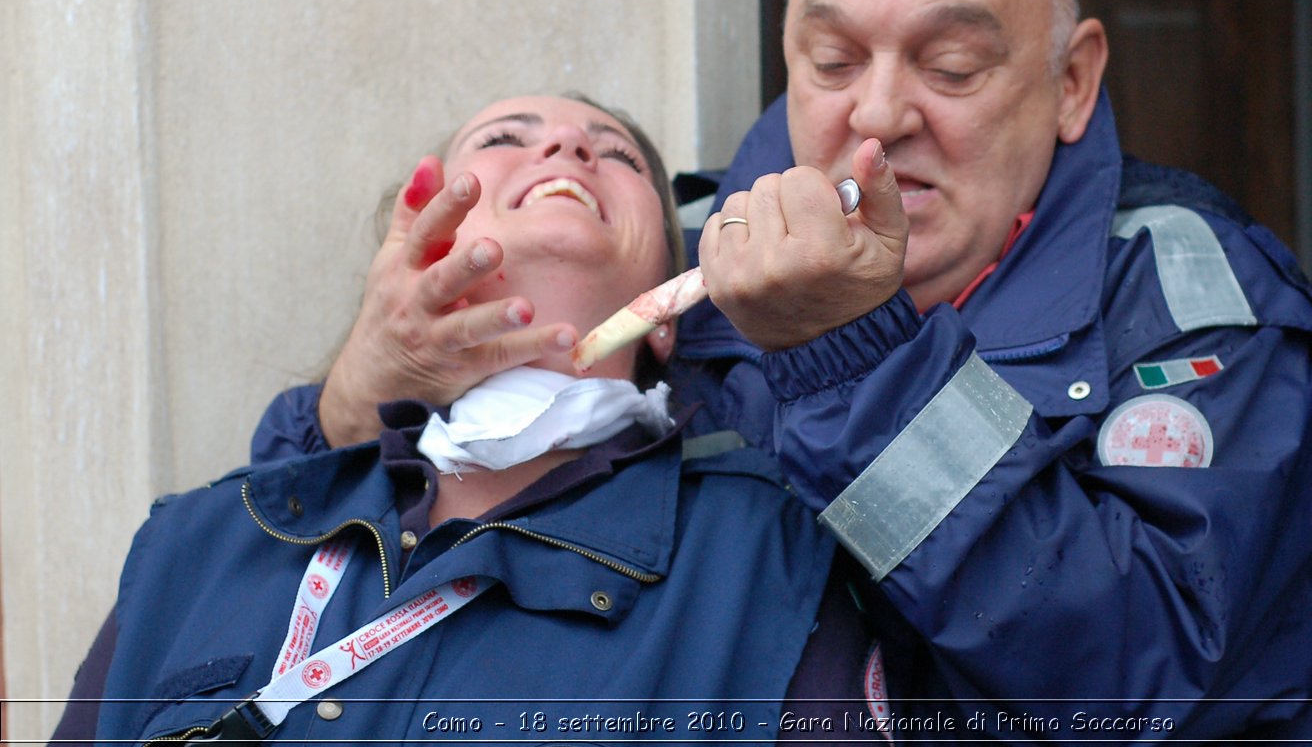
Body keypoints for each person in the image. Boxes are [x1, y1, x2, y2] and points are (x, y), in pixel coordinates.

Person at [255, 0, 1312, 740]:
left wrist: (847, 351)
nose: (878, 116)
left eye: (949, 65)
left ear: (1072, 81)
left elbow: (1126, 678)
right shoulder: (688, 270)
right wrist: (357, 388)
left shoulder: (1198, 312)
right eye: (833, 61)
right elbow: (419, 501)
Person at [54, 96, 874, 746]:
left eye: (616, 153)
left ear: (667, 309)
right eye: (504, 138)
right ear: (412, 253)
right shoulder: (193, 544)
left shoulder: (768, 557)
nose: (567, 149)